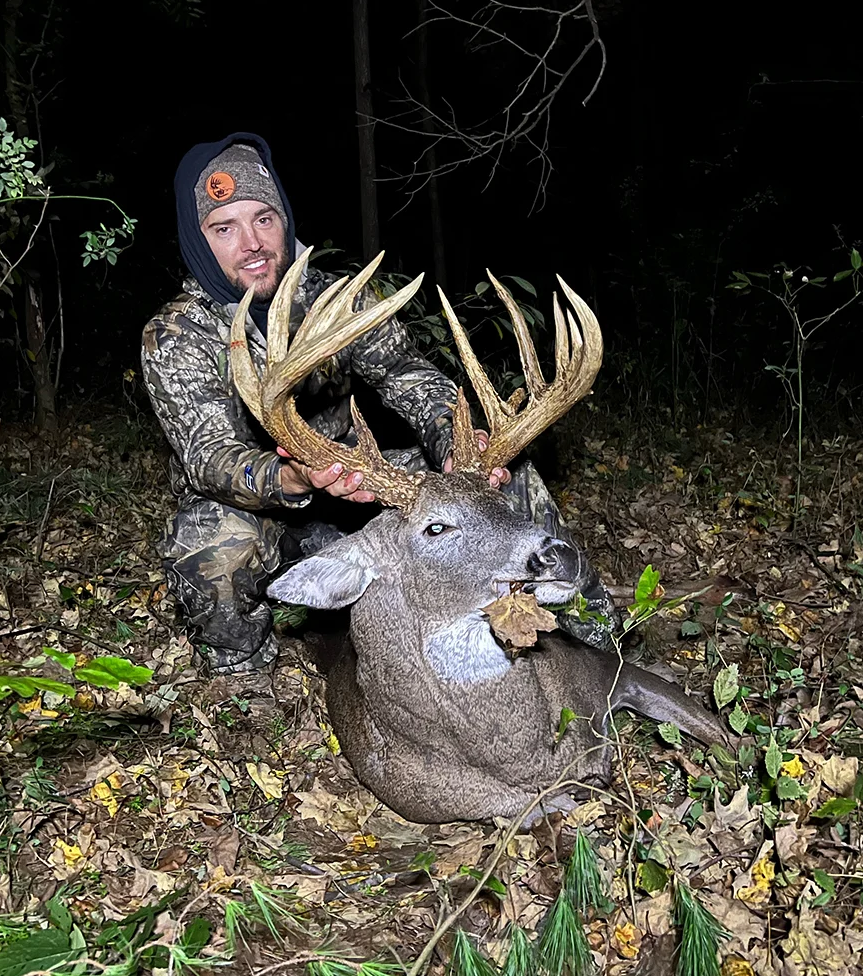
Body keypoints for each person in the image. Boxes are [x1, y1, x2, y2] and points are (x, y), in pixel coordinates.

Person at [139, 133, 611, 675]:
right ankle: (242, 677)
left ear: (285, 221)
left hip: (357, 489)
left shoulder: (339, 301)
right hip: (264, 510)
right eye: (225, 228)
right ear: (198, 240)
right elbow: (208, 455)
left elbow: (408, 374)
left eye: (264, 219)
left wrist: (453, 441)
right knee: (213, 546)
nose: (252, 242)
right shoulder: (175, 332)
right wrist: (292, 478)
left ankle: (595, 634)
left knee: (511, 475)